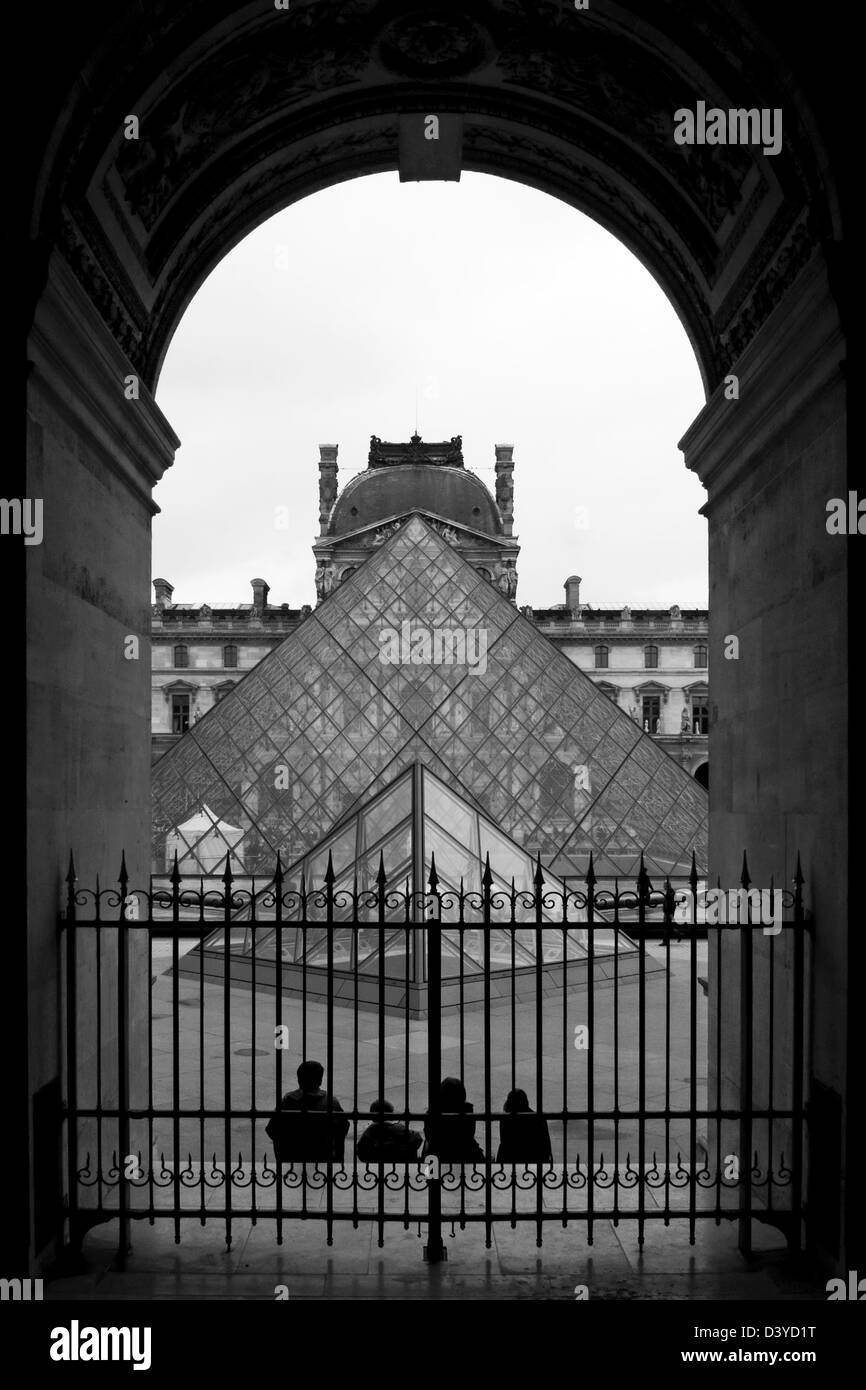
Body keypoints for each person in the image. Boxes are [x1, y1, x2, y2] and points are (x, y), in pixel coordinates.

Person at [265, 1060, 349, 1163]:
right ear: (320, 1080)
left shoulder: (288, 1101)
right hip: (323, 1158)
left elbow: (272, 1130)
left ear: (299, 1079)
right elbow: (342, 1129)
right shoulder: (331, 1102)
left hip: (293, 1158)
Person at [422, 1077, 486, 1164]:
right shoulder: (467, 1109)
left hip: (438, 1155)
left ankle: (431, 1175)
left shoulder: (433, 1110)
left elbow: (429, 1135)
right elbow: (469, 1135)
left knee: (428, 1148)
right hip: (465, 1154)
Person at [356, 1099, 422, 1164]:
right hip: (401, 1164)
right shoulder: (397, 1128)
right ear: (390, 1115)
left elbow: (361, 1153)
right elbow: (418, 1139)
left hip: (376, 1168)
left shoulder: (370, 1131)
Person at [495, 1089, 553, 1164]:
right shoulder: (538, 1118)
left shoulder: (505, 1119)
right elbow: (546, 1146)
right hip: (534, 1160)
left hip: (511, 1160)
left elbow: (504, 1144)